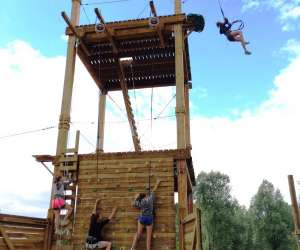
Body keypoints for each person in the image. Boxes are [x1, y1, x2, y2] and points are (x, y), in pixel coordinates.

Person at [131, 179, 161, 250]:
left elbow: (133, 203)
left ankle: (132, 248)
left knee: (138, 234)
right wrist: (157, 183)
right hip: (150, 219)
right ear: (145, 196)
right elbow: (154, 190)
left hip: (142, 218)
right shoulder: (150, 199)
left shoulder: (141, 202)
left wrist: (136, 197)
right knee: (148, 238)